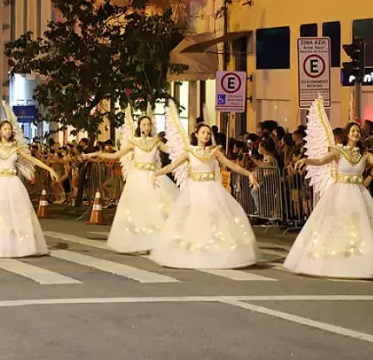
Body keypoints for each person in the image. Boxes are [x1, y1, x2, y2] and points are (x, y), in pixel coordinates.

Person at [285, 97, 373, 279]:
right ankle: (333, 259)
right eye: (353, 131)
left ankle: (358, 260)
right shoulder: (338, 151)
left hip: (358, 193)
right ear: (348, 134)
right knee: (336, 225)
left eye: (358, 131)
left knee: (360, 228)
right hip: (339, 192)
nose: (356, 134)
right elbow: (320, 160)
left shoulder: (365, 155)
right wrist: (306, 160)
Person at [149, 103, 260, 269]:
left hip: (212, 189)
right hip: (195, 190)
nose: (206, 135)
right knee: (194, 219)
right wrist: (155, 174)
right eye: (203, 132)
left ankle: (216, 251)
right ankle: (195, 251)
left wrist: (249, 173)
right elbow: (172, 167)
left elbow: (231, 165)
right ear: (196, 134)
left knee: (215, 219)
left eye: (208, 133)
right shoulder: (189, 151)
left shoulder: (215, 151)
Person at [0, 103, 59, 258]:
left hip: (13, 183)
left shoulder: (16, 148)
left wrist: (50, 169)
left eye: (10, 129)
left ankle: (17, 245)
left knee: (16, 215)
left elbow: (32, 160)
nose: (8, 131)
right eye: (5, 129)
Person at [83, 107, 178, 253]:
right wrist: (95, 153)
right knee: (139, 211)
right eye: (143, 124)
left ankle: (156, 243)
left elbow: (172, 151)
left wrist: (188, 149)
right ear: (139, 127)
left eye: (148, 124)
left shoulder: (157, 142)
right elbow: (116, 155)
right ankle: (141, 243)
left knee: (158, 211)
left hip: (154, 177)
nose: (146, 127)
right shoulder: (133, 142)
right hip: (138, 179)